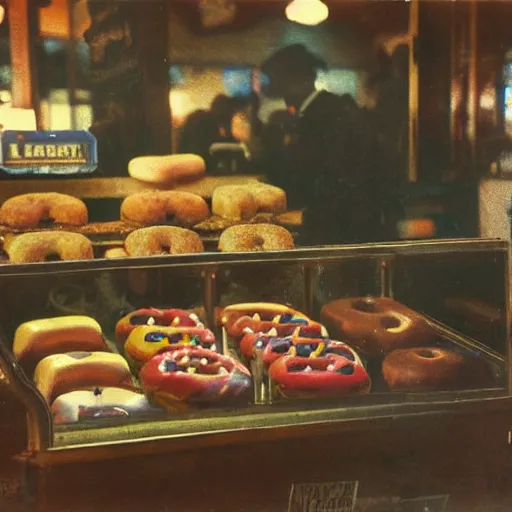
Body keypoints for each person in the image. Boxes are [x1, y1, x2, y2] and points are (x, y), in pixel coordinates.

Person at [260, 44, 387, 246]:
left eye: (278, 79)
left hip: (342, 230)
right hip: (342, 222)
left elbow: (338, 177)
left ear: (298, 80)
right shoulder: (321, 109)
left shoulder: (324, 115)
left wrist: (309, 216)